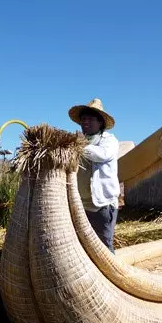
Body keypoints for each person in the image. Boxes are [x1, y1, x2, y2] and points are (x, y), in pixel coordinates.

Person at [68, 98, 120, 253]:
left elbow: (102, 155)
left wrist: (79, 145)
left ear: (100, 122)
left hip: (102, 204)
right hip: (80, 204)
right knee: (83, 247)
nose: (85, 122)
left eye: (90, 118)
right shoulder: (76, 142)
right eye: (83, 119)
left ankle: (109, 277)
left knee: (104, 246)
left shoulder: (108, 141)